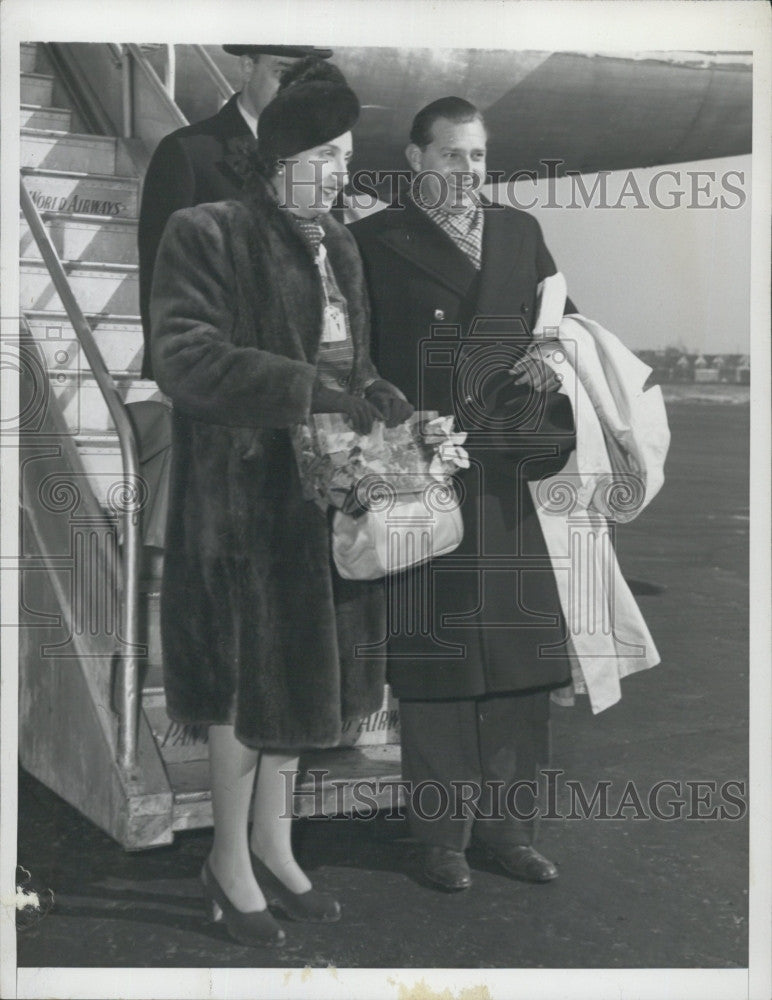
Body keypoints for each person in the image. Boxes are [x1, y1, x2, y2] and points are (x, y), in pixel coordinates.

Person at [149, 59, 413, 947]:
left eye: (349, 154)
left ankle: (274, 841)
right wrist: (313, 390)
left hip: (325, 501)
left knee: (304, 684)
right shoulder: (208, 230)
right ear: (283, 154)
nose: (343, 169)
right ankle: (226, 859)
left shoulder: (340, 245)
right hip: (240, 507)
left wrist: (383, 401)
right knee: (237, 691)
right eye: (329, 154)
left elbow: (357, 363)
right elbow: (184, 360)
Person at [350, 97, 577, 892]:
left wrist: (556, 362)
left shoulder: (521, 235)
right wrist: (397, 427)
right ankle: (441, 839)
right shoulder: (372, 242)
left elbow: (565, 328)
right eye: (453, 158)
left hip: (507, 473)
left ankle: (510, 832)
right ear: (416, 161)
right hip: (427, 476)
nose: (469, 172)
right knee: (437, 665)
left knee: (520, 663)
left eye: (478, 158)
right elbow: (355, 360)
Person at [138, 43, 333, 380]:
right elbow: (161, 282)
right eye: (283, 73)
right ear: (246, 67)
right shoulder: (188, 153)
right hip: (221, 382)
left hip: (307, 382)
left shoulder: (323, 160)